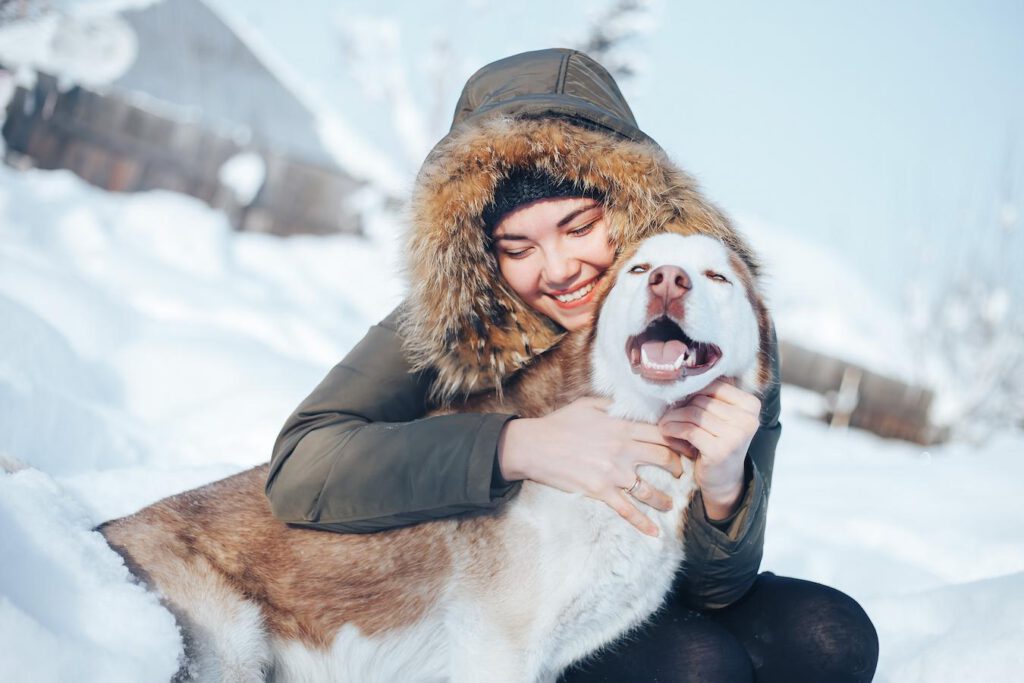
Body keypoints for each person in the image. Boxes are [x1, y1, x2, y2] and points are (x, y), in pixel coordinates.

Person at [266, 48, 878, 682]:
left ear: (629, 206)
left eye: (581, 226)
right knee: (700, 667)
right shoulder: (463, 313)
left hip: (640, 591)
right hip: (498, 600)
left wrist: (725, 486)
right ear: (481, 255)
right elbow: (301, 465)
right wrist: (515, 445)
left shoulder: (718, 322)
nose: (558, 270)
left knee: (830, 635)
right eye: (517, 247)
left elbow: (714, 589)